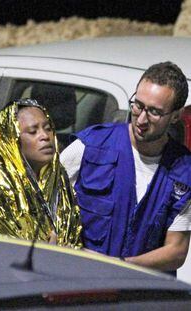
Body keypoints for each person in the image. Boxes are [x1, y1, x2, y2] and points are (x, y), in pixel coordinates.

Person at [60, 61, 191, 272]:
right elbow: (44, 206)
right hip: (80, 284)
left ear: (175, 116)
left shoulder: (184, 172)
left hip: (138, 294)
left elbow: (176, 251)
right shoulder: (88, 147)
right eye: (138, 105)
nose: (141, 118)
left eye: (154, 112)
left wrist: (120, 266)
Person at [0, 98, 82, 248]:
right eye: (33, 131)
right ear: (11, 141)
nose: (45, 136)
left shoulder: (61, 183)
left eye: (48, 128)